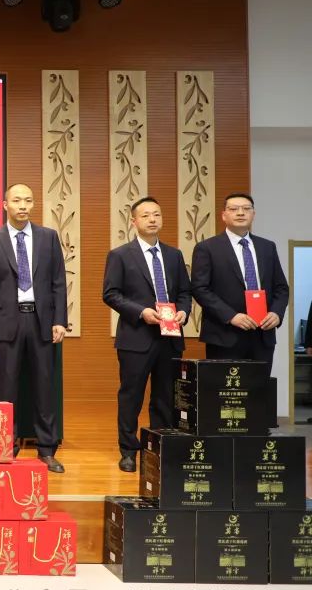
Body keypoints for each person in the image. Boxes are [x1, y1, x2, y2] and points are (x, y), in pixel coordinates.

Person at [0, 184, 68, 474]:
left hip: (41, 321)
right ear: (5, 205)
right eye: (17, 200)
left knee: (44, 387)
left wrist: (59, 320)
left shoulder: (48, 237)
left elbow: (58, 282)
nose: (23, 206)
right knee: (6, 388)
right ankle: (6, 446)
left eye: (28, 200)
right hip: (7, 322)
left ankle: (47, 449)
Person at [102, 197, 192, 472]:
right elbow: (111, 294)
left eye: (156, 214)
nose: (152, 219)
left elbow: (184, 292)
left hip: (170, 336)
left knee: (165, 396)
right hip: (136, 336)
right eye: (145, 215)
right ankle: (128, 451)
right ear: (134, 221)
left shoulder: (174, 255)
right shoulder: (120, 255)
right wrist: (141, 312)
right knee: (131, 396)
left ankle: (159, 448)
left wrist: (183, 311)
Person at [191, 192, 289, 368]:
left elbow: (281, 287)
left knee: (259, 385)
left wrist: (276, 313)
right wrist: (231, 316)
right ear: (224, 215)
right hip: (224, 334)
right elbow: (200, 289)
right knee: (225, 385)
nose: (241, 213)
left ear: (253, 214)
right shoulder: (207, 248)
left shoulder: (267, 247)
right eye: (234, 209)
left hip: (262, 334)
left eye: (246, 209)